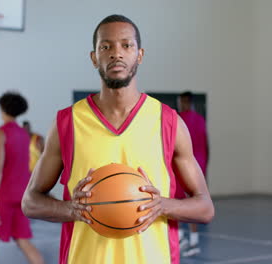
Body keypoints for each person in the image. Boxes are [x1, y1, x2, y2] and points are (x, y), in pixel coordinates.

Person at [22, 14, 214, 264]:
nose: (116, 53)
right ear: (94, 57)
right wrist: (72, 209)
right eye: (106, 46)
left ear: (140, 55)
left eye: (126, 45)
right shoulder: (67, 123)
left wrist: (162, 205)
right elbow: (30, 202)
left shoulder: (169, 123)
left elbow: (205, 207)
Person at [0, 92, 44, 264]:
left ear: (2, 109)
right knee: (23, 240)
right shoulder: (25, 135)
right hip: (21, 196)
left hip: (2, 196)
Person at [177, 91, 210, 257]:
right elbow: (207, 143)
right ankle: (188, 240)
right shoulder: (201, 120)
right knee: (194, 201)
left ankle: (188, 240)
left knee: (182, 203)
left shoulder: (179, 119)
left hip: (185, 167)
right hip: (201, 167)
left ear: (184, 101)